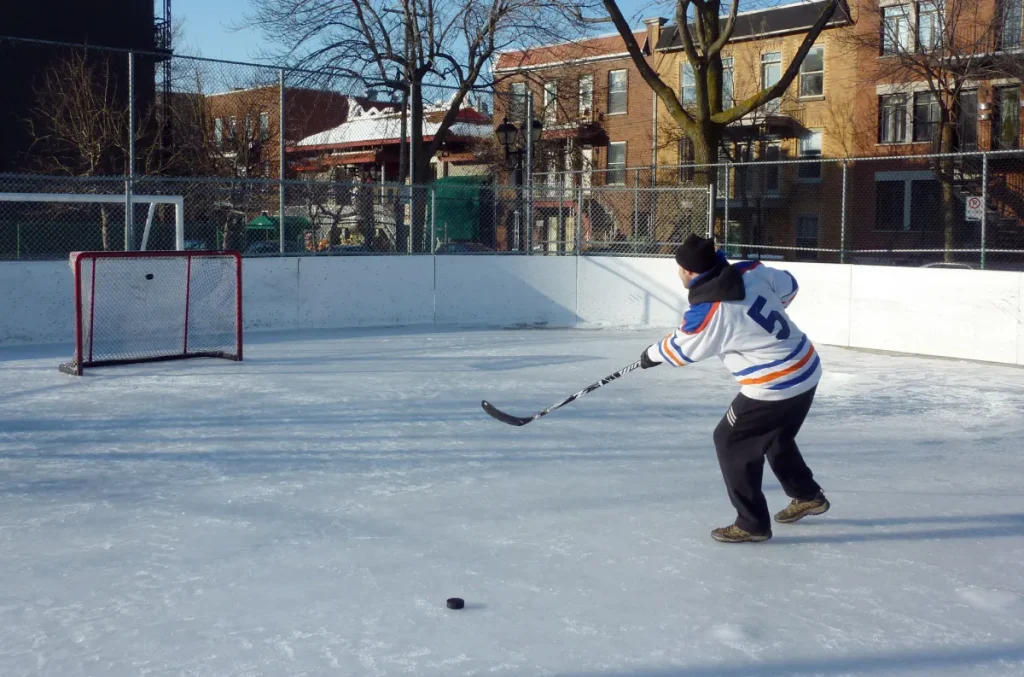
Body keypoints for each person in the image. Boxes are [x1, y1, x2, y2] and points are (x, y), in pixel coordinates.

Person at [640, 234, 829, 543]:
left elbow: (681, 350)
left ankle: (752, 523)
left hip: (775, 385)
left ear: (688, 272)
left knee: (729, 440)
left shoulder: (710, 312)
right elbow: (790, 285)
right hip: (807, 368)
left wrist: (650, 355)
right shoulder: (750, 271)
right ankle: (808, 495)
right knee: (776, 436)